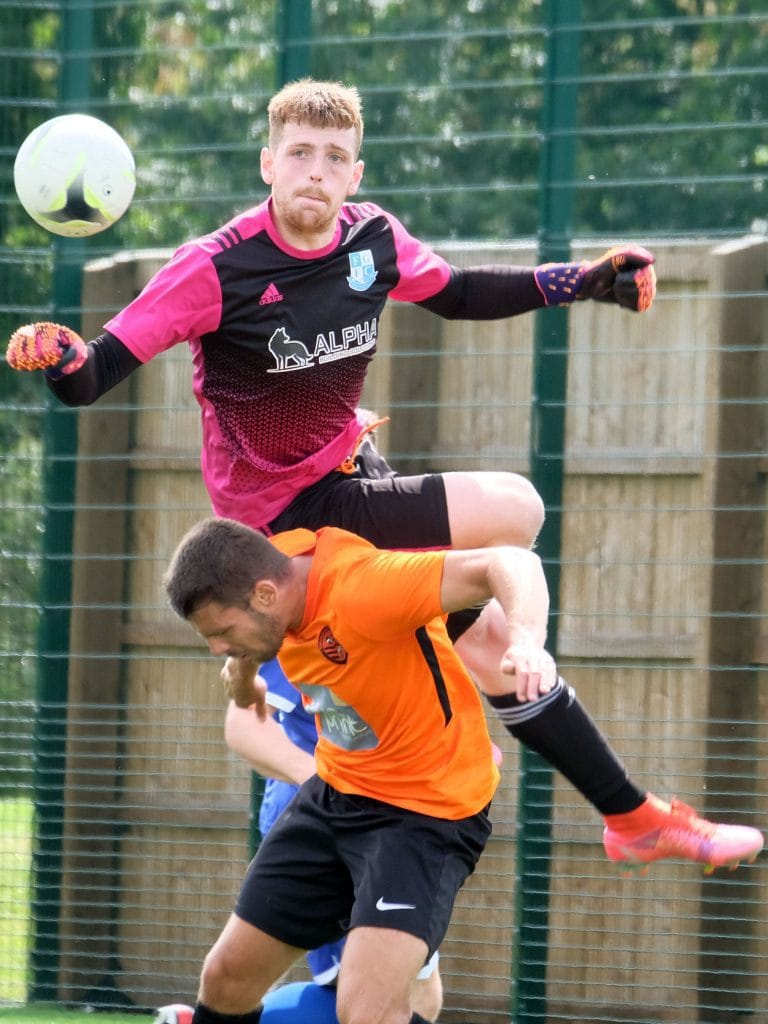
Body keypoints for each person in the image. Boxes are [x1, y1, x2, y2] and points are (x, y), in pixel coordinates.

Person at [7, 79, 754, 871]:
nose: (317, 172)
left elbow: (460, 293)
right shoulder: (213, 268)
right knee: (520, 507)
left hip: (350, 474)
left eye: (335, 157)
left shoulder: (374, 240)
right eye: (300, 154)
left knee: (500, 652)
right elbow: (92, 375)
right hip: (285, 518)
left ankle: (633, 818)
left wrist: (586, 280)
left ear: (356, 174)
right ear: (269, 164)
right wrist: (60, 359)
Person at [163, 518, 763, 1024]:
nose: (218, 647)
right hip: (335, 794)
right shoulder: (276, 569)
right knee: (225, 980)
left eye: (222, 633)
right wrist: (242, 675)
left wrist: (527, 640)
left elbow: (509, 562)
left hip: (424, 820)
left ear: (266, 594)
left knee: (365, 1011)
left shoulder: (365, 588)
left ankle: (638, 816)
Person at [224, 657, 442, 1021]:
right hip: (331, 828)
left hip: (393, 821)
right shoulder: (301, 620)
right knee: (383, 992)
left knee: (413, 988)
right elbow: (243, 724)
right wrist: (328, 787)